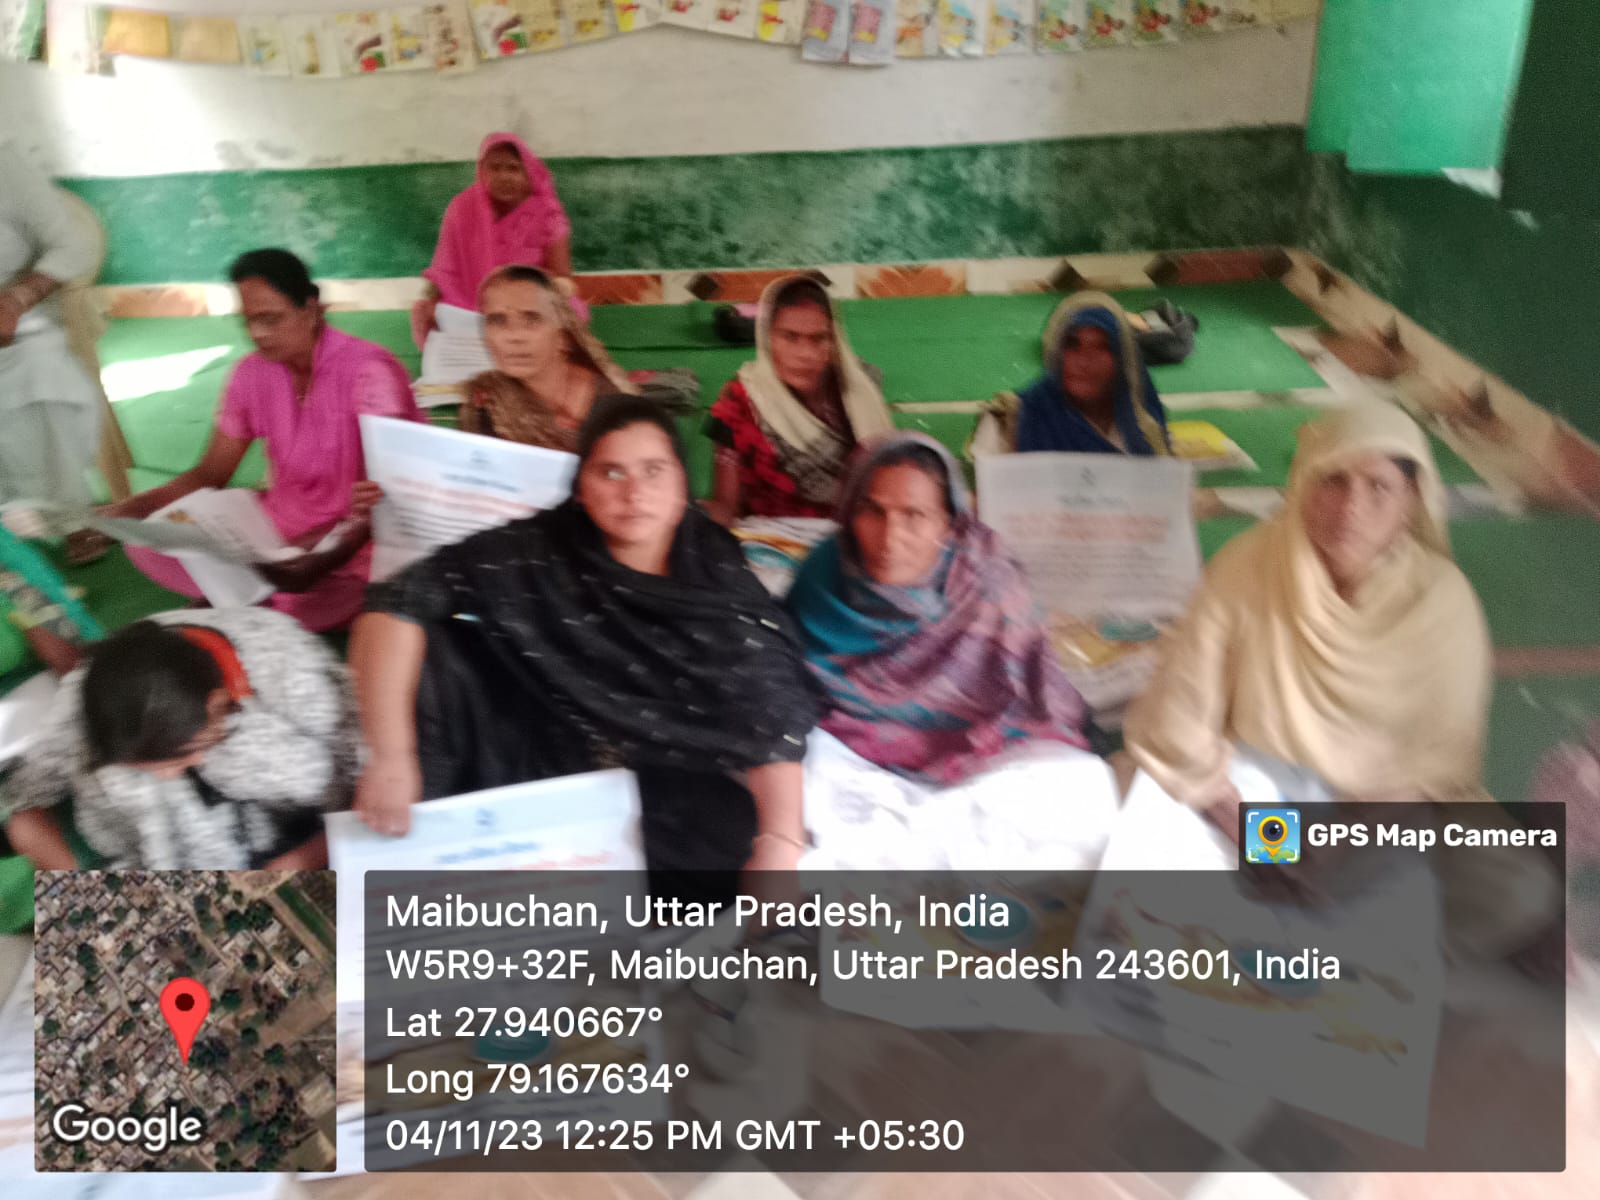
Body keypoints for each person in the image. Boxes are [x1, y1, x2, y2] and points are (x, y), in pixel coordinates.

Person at [348, 394, 819, 878]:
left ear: (682, 484)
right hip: (534, 737)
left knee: (727, 848)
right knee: (434, 651)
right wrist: (391, 757)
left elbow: (772, 713)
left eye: (653, 471)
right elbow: (397, 600)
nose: (634, 493)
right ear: (580, 488)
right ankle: (416, 838)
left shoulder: (715, 575)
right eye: (611, 473)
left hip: (657, 770)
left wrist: (780, 843)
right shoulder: (540, 548)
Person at [1125, 402, 1487, 811]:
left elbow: (1439, 772)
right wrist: (1253, 828)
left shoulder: (1442, 603)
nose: (1351, 507)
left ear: (1411, 503)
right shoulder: (1247, 568)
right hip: (1253, 793)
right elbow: (1181, 726)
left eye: (1378, 487)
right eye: (1333, 480)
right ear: (1303, 484)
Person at [105, 249, 424, 632]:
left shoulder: (369, 372)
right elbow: (210, 473)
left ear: (311, 310)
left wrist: (320, 554)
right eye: (249, 321)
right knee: (145, 543)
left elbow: (388, 498)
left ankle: (256, 597)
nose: (257, 334)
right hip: (276, 528)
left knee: (299, 594)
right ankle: (260, 595)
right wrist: (134, 508)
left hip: (352, 544)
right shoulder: (251, 373)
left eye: (270, 319)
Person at [787, 433, 1089, 784]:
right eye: (872, 511)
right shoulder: (822, 577)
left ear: (949, 524)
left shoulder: (989, 584)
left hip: (979, 762)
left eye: (914, 515)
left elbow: (1035, 695)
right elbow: (780, 680)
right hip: (844, 761)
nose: (890, 537)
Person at [1, 609, 360, 871]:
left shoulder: (293, 675)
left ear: (218, 704)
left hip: (308, 832)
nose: (165, 775)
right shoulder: (88, 694)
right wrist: (62, 868)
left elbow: (373, 785)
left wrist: (298, 862)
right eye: (145, 767)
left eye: (175, 761)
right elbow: (21, 803)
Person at [706, 275, 894, 524]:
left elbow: (885, 487)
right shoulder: (740, 400)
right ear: (767, 338)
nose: (805, 353)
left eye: (819, 338)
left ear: (834, 341)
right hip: (767, 539)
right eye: (790, 337)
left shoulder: (857, 395)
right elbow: (726, 506)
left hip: (848, 533)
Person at [0, 151, 107, 562]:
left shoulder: (9, 168)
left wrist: (19, 298)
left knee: (38, 370)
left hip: (23, 320)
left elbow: (73, 246)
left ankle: (70, 516)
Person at [413, 133, 579, 348]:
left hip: (529, 303)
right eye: (495, 168)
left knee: (570, 311)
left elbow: (562, 278)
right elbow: (445, 269)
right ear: (483, 171)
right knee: (426, 310)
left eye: (513, 168)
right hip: (470, 303)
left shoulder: (548, 212)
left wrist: (528, 300)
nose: (504, 177)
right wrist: (437, 298)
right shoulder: (462, 208)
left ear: (528, 172)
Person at [460, 264, 635, 451]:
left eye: (532, 320)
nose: (514, 336)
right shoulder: (489, 401)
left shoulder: (614, 406)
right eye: (498, 320)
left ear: (562, 335)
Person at [986, 291, 1172, 456]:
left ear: (1123, 358)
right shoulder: (1009, 422)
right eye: (1072, 344)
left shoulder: (1146, 431)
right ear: (1055, 354)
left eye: (1102, 347)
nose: (1084, 361)